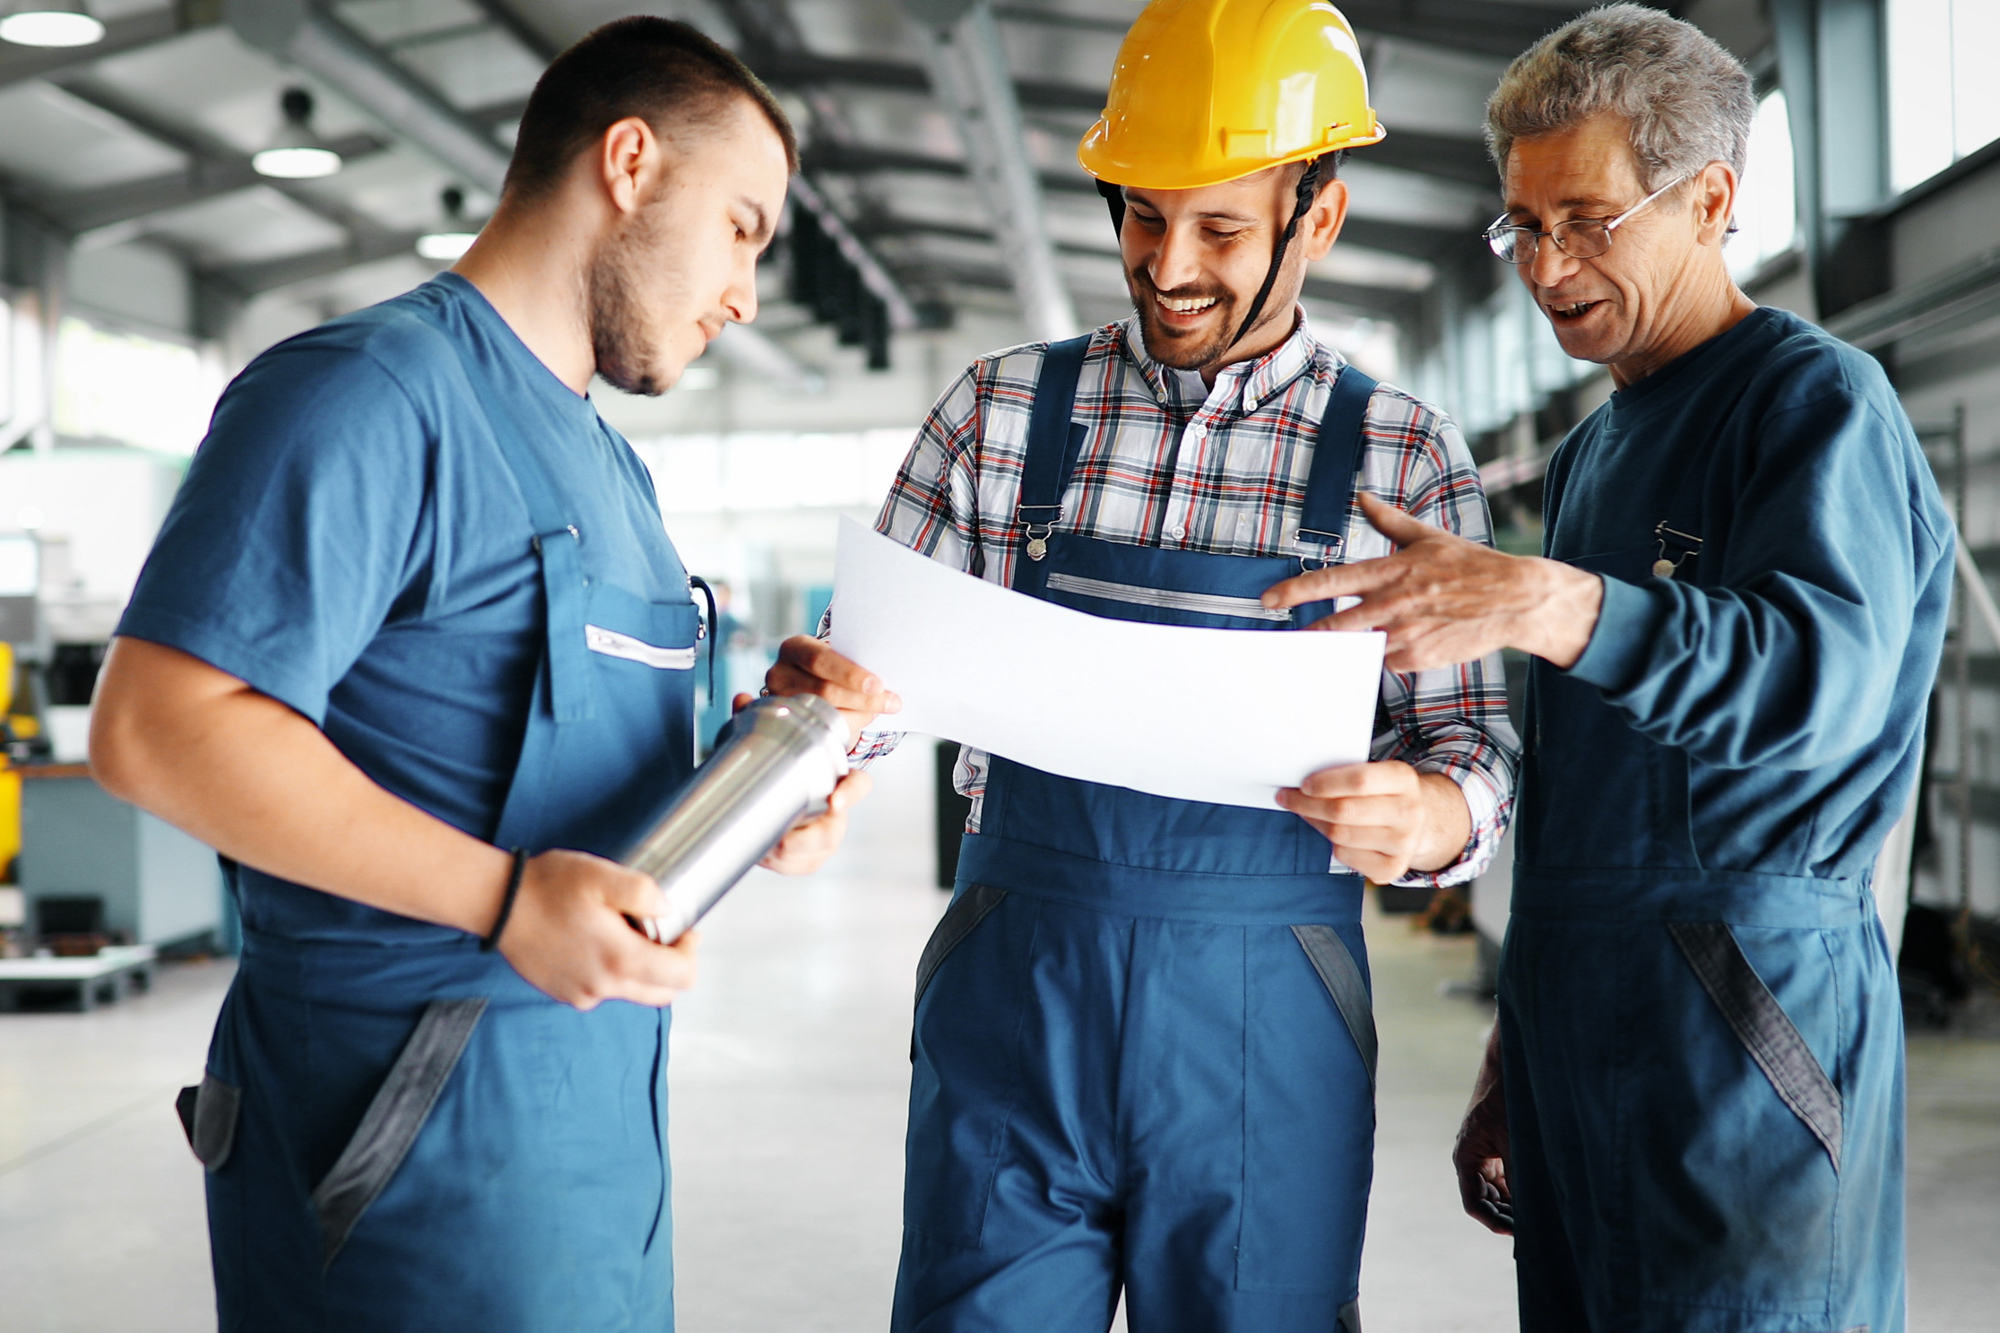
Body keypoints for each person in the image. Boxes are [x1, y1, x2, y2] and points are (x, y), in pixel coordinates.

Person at [88, 18, 869, 1330]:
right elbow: (157, 726)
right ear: (629, 162)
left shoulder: (614, 472)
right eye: (741, 227)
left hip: (594, 1141)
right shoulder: (369, 395)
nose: (747, 292)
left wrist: (756, 786)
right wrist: (504, 899)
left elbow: (549, 784)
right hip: (402, 1155)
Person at [769, 2, 1517, 1327]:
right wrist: (820, 731)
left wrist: (1440, 812)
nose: (1169, 264)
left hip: (1264, 1030)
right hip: (1017, 1004)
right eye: (1142, 217)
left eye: (1222, 229)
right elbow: (871, 672)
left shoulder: (1403, 460)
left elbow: (1476, 748)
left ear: (1319, 221)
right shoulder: (998, 411)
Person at [1262, 7, 1951, 1331]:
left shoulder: (1814, 407)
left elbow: (1821, 683)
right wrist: (1516, 1050)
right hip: (1579, 1036)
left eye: (1585, 218)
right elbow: (1579, 799)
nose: (1544, 262)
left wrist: (1545, 598)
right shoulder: (1591, 456)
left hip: (1746, 1041)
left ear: (1711, 202)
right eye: (1521, 224)